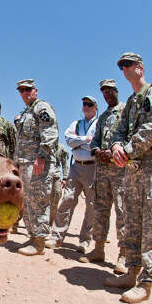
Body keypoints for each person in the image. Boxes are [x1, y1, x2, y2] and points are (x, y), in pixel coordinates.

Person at [107, 52, 152, 304]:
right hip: (133, 171)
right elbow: (119, 129)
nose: (124, 69)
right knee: (132, 224)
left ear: (140, 67)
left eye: (128, 65)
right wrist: (116, 145)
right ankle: (131, 273)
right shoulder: (131, 102)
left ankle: (147, 283)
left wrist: (126, 149)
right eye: (121, 66)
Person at [79, 79, 127, 273]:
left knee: (123, 211)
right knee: (100, 208)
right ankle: (98, 249)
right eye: (104, 92)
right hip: (102, 169)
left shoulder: (126, 111)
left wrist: (116, 151)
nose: (107, 95)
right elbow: (96, 140)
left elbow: (130, 136)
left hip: (121, 168)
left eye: (110, 91)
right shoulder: (104, 116)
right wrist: (98, 150)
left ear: (116, 91)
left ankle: (124, 255)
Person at [45, 96, 98, 254]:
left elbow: (96, 143)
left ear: (95, 107)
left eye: (90, 104)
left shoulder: (99, 124)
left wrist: (80, 141)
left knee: (91, 205)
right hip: (76, 167)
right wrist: (85, 139)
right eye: (84, 104)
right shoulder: (76, 124)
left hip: (93, 168)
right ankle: (57, 236)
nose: (86, 107)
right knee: (67, 200)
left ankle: (85, 241)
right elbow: (68, 140)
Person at [14, 79, 59, 256]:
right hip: (25, 163)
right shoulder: (27, 112)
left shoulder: (42, 108)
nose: (24, 93)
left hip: (38, 164)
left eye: (28, 90)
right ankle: (33, 236)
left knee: (39, 201)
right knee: (29, 201)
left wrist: (42, 157)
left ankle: (39, 242)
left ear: (35, 91)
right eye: (21, 91)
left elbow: (49, 134)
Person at [50, 143, 69, 226]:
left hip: (56, 176)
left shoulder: (61, 148)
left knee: (56, 196)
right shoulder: (42, 145)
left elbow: (65, 164)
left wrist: (65, 177)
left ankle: (50, 221)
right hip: (42, 176)